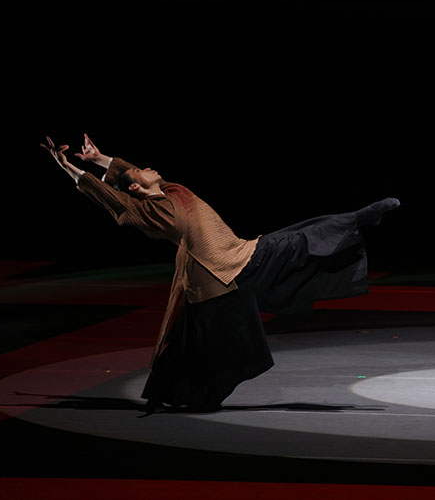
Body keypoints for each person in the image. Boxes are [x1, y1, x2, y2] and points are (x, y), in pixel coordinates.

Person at [41, 134, 399, 413]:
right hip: (217, 274)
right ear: (136, 187)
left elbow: (126, 176)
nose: (146, 166)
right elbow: (111, 197)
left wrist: (99, 159)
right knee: (206, 342)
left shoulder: (173, 190)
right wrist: (69, 167)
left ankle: (358, 218)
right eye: (139, 172)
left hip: (240, 254)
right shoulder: (150, 211)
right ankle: (187, 395)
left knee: (294, 239)